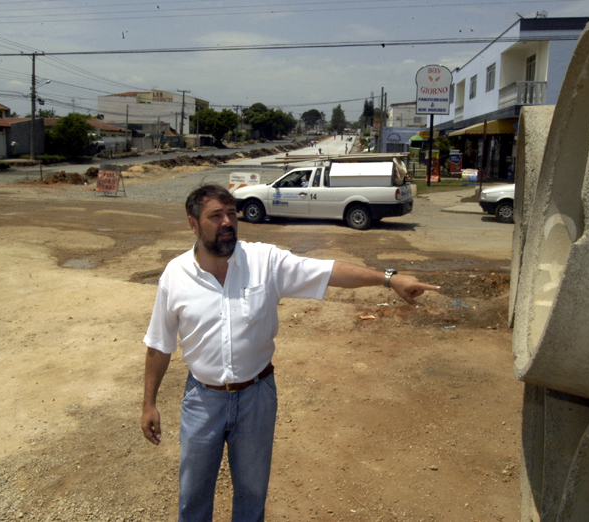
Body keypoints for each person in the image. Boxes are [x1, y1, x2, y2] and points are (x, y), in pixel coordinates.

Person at [141, 184, 439, 522]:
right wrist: (149, 402)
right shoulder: (175, 276)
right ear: (193, 225)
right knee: (193, 495)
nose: (227, 222)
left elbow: (328, 272)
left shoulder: (264, 261)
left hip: (256, 397)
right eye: (215, 216)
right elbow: (159, 344)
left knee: (252, 494)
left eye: (231, 214)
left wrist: (389, 279)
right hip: (202, 400)